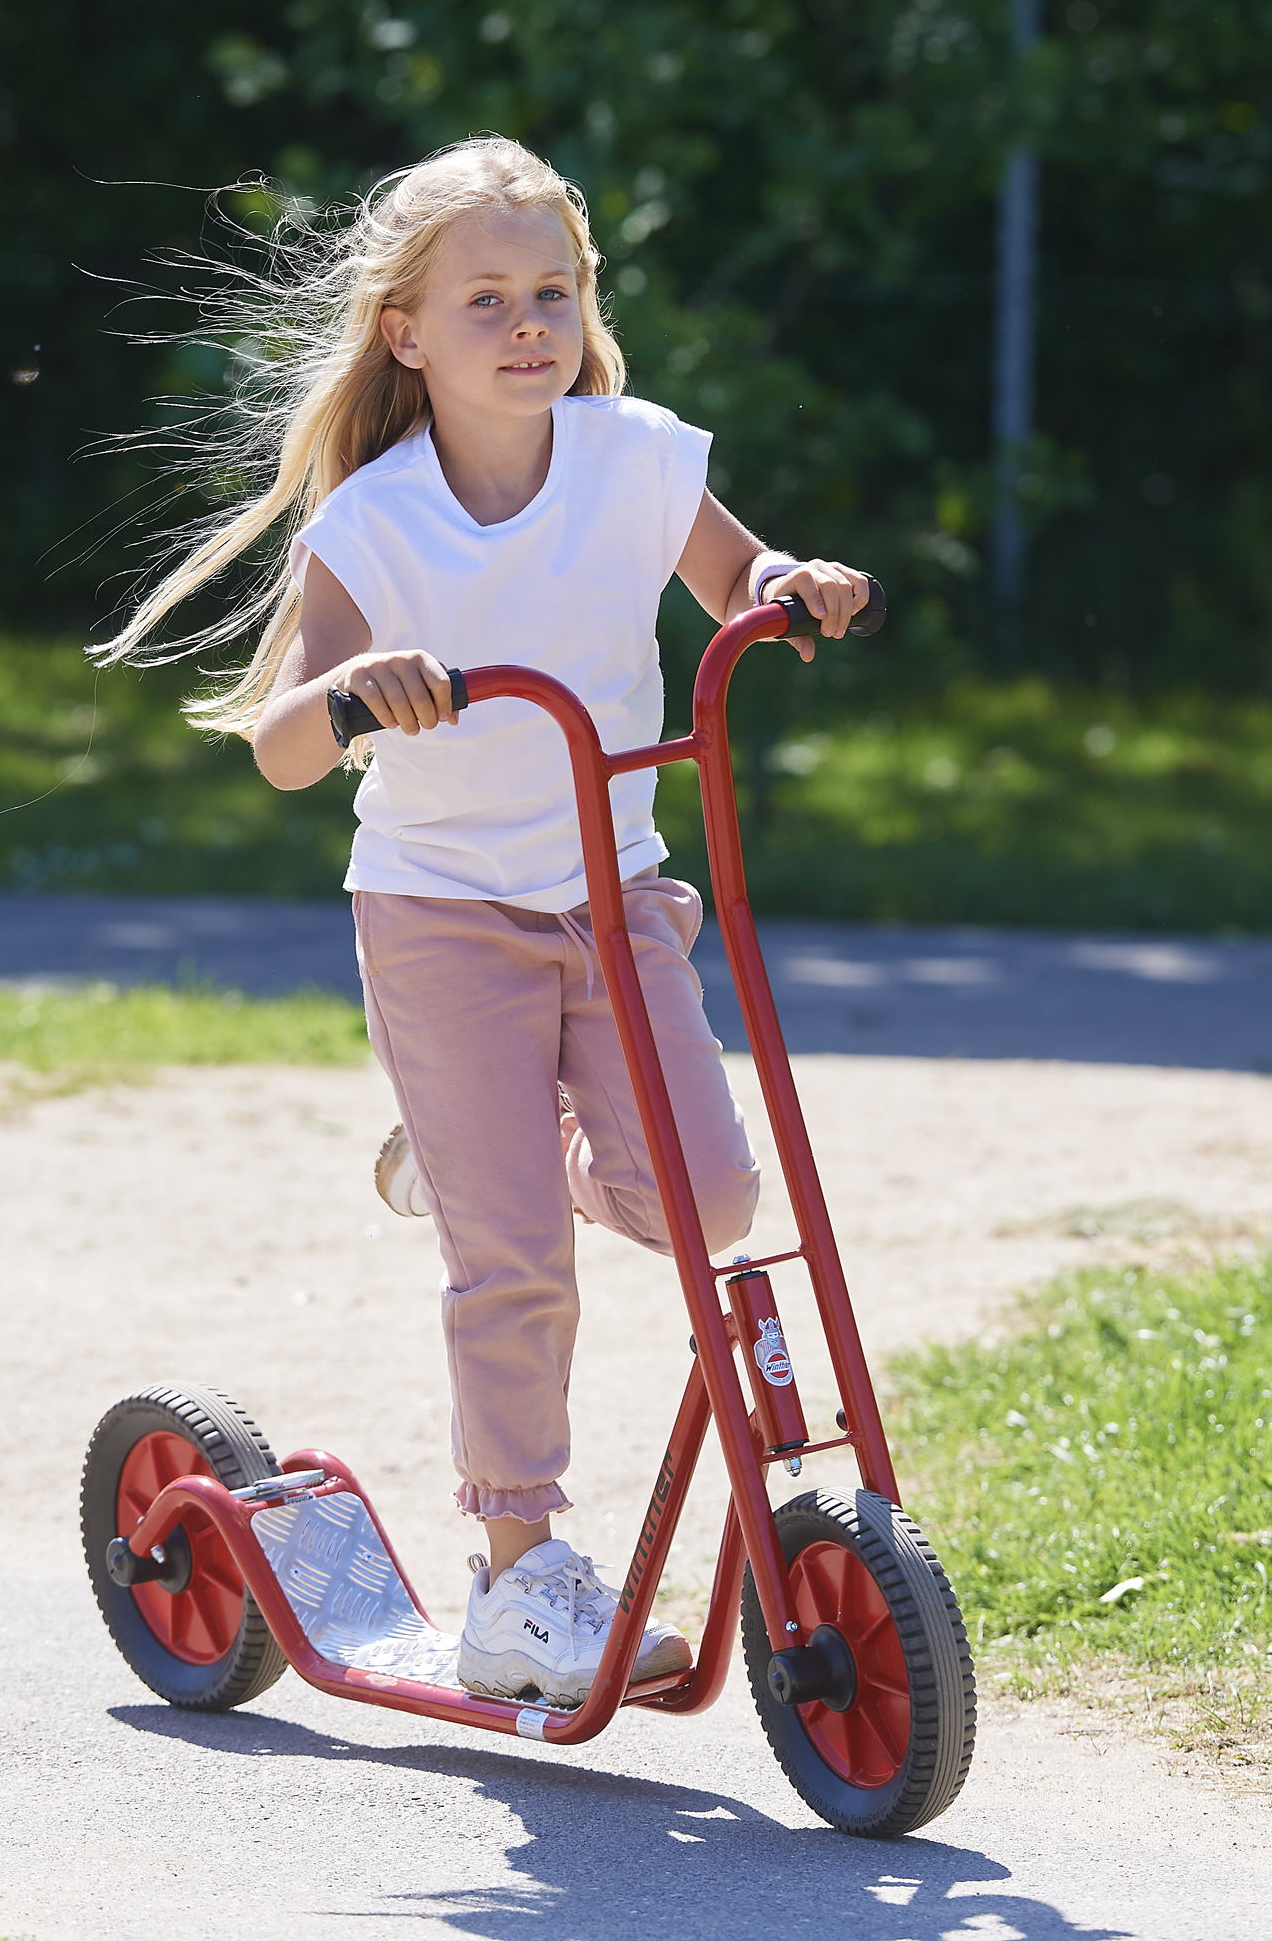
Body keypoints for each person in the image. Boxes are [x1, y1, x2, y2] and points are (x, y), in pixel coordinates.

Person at [93, 135, 868, 1706]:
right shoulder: (377, 525)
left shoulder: (636, 458)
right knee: (514, 1262)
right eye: (488, 300)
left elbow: (736, 575)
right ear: (407, 335)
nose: (529, 326)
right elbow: (283, 747)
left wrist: (792, 583)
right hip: (441, 918)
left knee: (713, 1199)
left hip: (614, 891)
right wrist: (352, 687)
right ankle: (520, 1579)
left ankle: (478, 1153)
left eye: (554, 293)